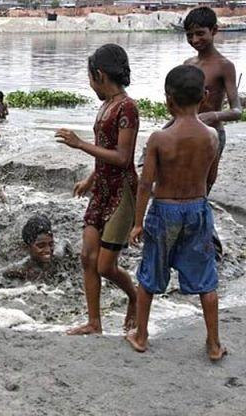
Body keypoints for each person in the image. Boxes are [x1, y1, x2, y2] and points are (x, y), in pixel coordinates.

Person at [126, 65, 225, 361]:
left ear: (168, 99)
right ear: (205, 97)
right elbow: (210, 178)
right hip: (197, 207)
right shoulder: (211, 136)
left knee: (150, 275)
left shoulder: (159, 138)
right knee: (206, 279)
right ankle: (213, 343)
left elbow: (146, 184)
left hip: (165, 209)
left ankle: (141, 336)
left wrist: (137, 223)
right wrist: (198, 200)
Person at [55, 44, 138, 335]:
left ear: (99, 75)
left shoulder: (127, 107)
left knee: (105, 266)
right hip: (101, 189)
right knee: (87, 257)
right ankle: (94, 322)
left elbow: (123, 158)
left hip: (122, 193)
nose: (90, 85)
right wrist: (90, 180)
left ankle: (135, 296)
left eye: (91, 79)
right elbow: (106, 151)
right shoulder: (106, 106)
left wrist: (79, 144)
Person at [183, 7, 242, 164]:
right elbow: (181, 105)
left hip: (212, 134)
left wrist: (212, 115)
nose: (194, 40)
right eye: (189, 35)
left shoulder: (224, 66)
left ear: (214, 30)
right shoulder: (188, 64)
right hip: (187, 132)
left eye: (200, 33)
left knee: (202, 184)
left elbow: (236, 110)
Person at [3, 214, 55, 282]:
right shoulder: (20, 270)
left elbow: (65, 242)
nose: (48, 250)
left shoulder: (58, 257)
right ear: (26, 247)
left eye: (51, 244)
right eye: (41, 246)